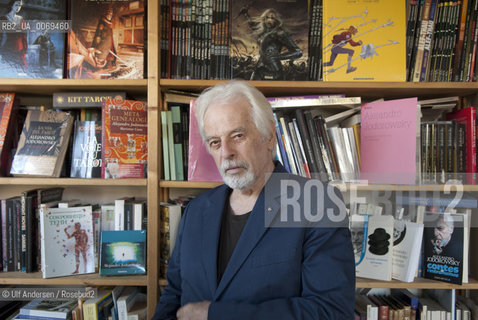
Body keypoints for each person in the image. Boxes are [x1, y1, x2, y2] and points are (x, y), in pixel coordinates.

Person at [153, 80, 355, 319]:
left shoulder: (317, 202)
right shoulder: (196, 209)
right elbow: (174, 293)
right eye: (215, 142)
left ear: (269, 136)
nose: (226, 152)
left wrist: (216, 314)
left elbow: (330, 312)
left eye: (237, 136)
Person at [239, 7, 302, 80]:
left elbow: (298, 52)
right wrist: (246, 14)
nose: (269, 20)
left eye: (272, 18)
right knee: (252, 89)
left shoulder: (280, 33)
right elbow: (252, 25)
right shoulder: (263, 32)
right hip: (259, 68)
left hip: (274, 71)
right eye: (267, 17)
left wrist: (278, 56)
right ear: (264, 19)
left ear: (276, 20)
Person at [0, 0, 28, 70]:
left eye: (20, 5)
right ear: (11, 5)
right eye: (16, 5)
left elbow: (24, 37)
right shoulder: (3, 19)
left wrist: (25, 51)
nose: (18, 7)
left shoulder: (21, 19)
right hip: (7, 50)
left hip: (20, 51)